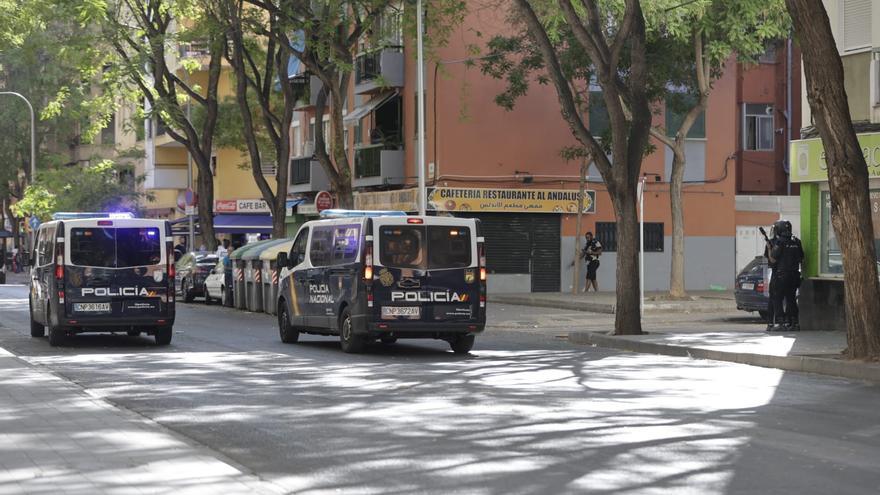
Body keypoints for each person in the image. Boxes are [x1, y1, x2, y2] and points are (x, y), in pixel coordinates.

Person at [764, 220, 804, 331]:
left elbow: (772, 260)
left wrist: (769, 248)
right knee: (791, 299)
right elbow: (801, 258)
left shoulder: (779, 242)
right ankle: (794, 322)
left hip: (781, 275)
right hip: (794, 275)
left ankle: (780, 322)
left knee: (777, 298)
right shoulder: (797, 241)